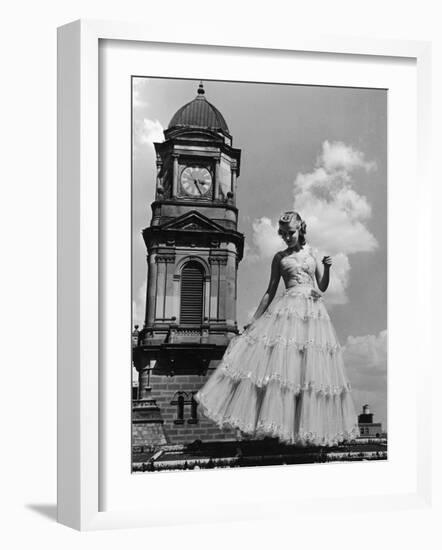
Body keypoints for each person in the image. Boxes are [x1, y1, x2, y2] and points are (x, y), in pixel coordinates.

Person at [194, 211, 359, 446]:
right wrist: (254, 320)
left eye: (290, 233)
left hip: (313, 314)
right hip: (288, 310)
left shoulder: (312, 252)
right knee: (284, 372)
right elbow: (270, 291)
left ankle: (306, 433)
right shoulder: (279, 257)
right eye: (283, 234)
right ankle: (283, 431)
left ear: (300, 228)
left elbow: (321, 286)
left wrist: (328, 268)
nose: (287, 238)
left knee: (310, 373)